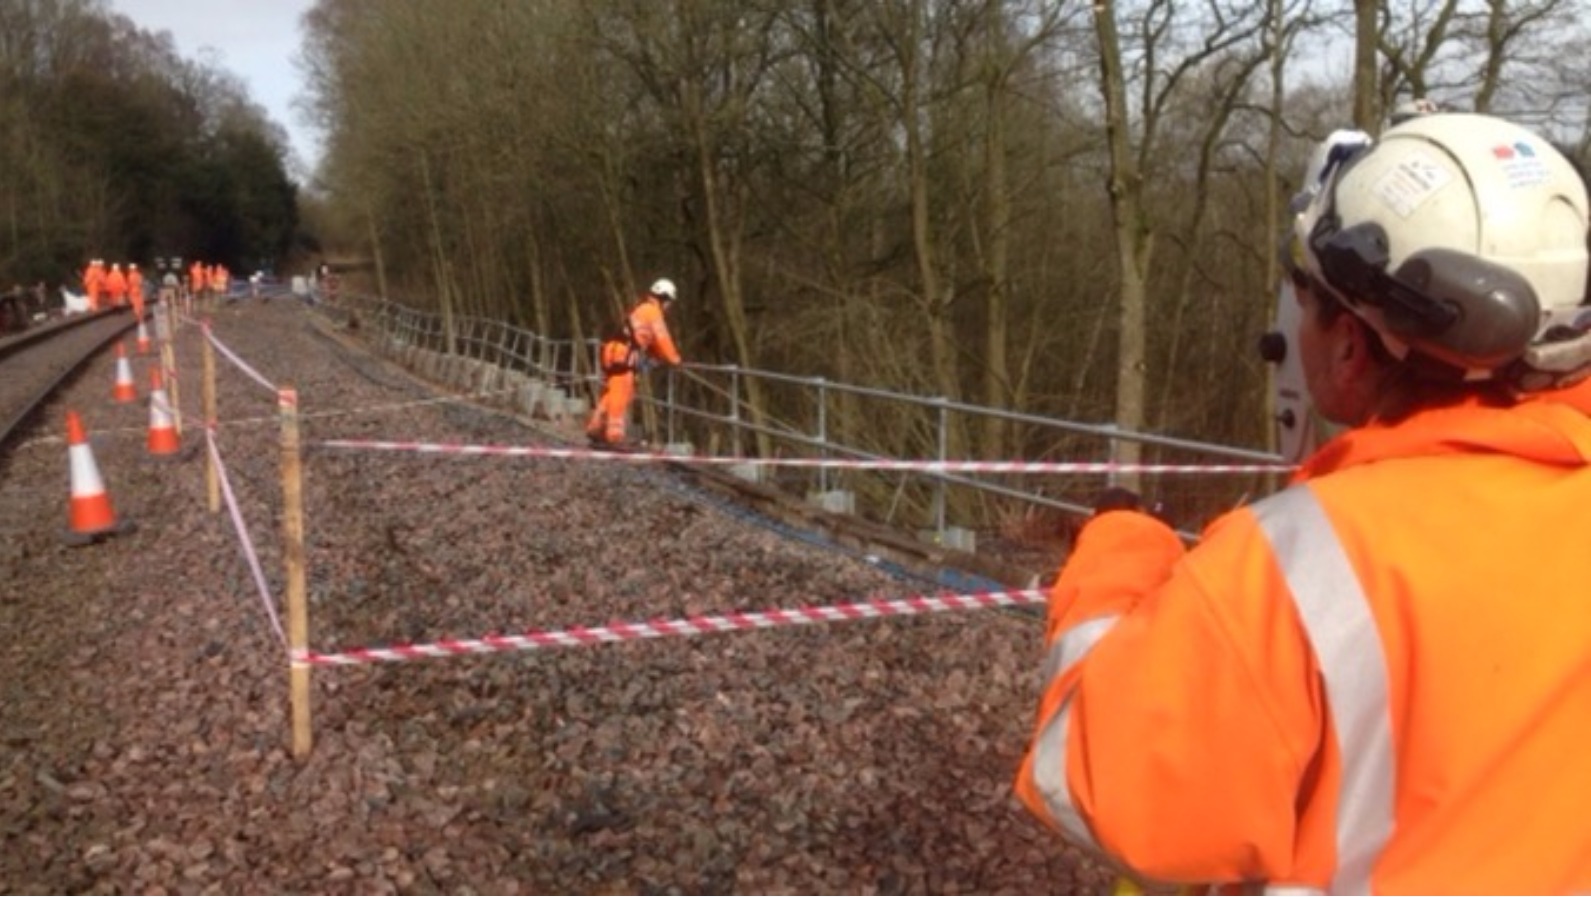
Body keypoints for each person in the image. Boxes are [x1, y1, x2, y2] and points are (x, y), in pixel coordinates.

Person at [1014, 111, 1591, 893]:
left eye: (1303, 294)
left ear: (1350, 344)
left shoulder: (1296, 561)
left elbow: (1101, 785)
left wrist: (1120, 552)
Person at [591, 277, 682, 447]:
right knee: (621, 392)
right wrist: (674, 359)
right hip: (623, 354)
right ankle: (614, 435)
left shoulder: (642, 309)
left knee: (613, 392)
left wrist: (656, 357)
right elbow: (662, 339)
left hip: (614, 351)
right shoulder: (653, 313)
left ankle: (596, 427)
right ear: (664, 298)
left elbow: (650, 341)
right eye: (669, 302)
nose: (669, 307)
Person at [585, 320, 639, 447]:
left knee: (606, 403)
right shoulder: (626, 348)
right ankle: (614, 436)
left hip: (612, 378)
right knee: (617, 407)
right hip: (623, 379)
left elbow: (606, 365)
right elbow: (631, 365)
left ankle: (595, 428)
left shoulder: (609, 346)